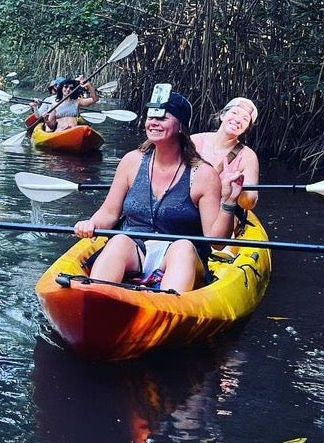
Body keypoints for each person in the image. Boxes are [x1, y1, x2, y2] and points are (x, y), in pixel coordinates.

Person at [70, 88, 244, 294]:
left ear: (180, 126)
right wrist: (91, 223)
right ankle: (95, 297)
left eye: (162, 118)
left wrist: (229, 201)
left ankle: (164, 308)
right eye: (150, 117)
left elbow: (216, 241)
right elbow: (109, 213)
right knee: (118, 241)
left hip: (180, 255)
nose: (153, 122)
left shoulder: (203, 174)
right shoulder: (131, 161)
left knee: (183, 248)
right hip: (135, 249)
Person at [191, 97, 260, 213]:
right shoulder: (194, 141)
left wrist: (237, 189)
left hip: (218, 212)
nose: (238, 120)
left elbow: (249, 202)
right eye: (234, 112)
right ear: (222, 115)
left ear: (246, 128)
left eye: (245, 118)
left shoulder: (248, 156)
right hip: (187, 207)